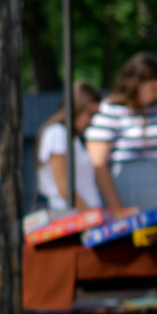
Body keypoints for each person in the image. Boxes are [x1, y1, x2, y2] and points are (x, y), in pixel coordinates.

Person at [84, 52, 157, 214]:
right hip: (128, 197)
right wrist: (117, 209)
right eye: (152, 89)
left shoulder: (156, 111)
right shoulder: (110, 110)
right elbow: (98, 164)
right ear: (135, 84)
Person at [35, 80, 103, 215]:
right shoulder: (57, 133)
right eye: (89, 113)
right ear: (76, 108)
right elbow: (64, 186)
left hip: (82, 216)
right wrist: (90, 215)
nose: (91, 120)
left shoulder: (74, 138)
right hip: (68, 218)